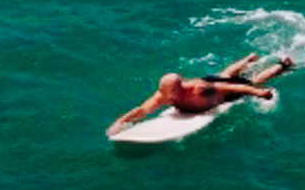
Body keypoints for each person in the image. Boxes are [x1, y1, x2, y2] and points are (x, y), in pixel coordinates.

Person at [110, 52, 294, 133]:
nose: (163, 97)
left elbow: (232, 88)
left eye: (167, 93)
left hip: (221, 92)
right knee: (224, 75)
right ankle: (247, 59)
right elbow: (143, 110)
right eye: (162, 92)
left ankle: (283, 65)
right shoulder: (164, 94)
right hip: (213, 81)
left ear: (178, 89)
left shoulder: (200, 90)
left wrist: (258, 93)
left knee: (254, 80)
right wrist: (121, 121)